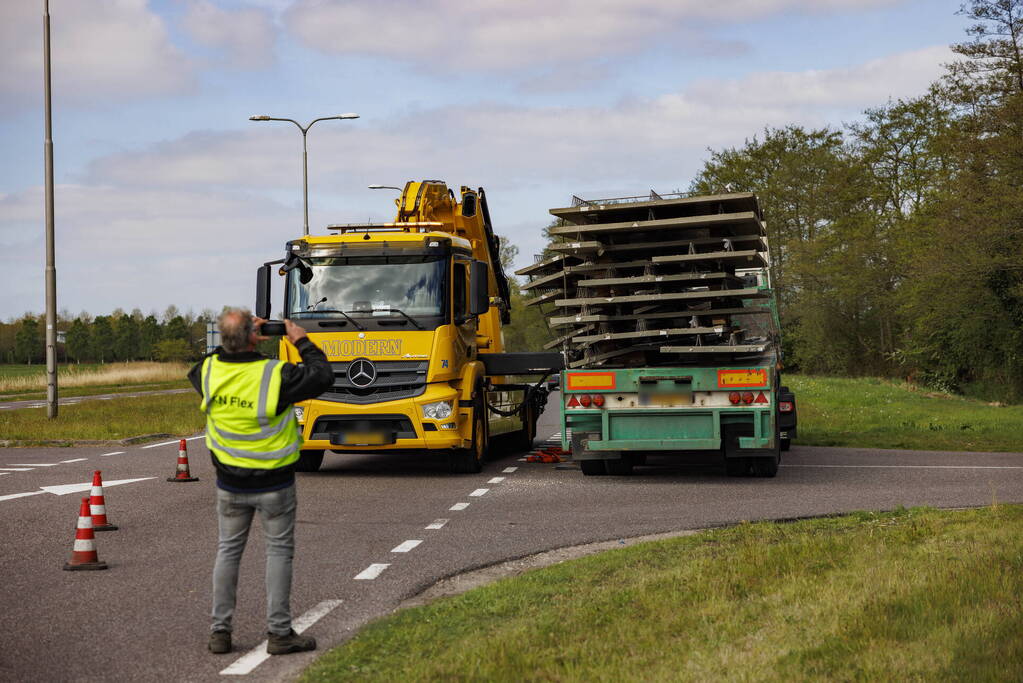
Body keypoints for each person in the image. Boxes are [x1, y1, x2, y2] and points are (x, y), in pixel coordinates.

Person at [188, 309, 333, 656]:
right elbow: (323, 375)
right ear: (256, 336)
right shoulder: (275, 374)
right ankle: (279, 634)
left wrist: (236, 336)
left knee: (228, 552)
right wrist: (298, 339)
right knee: (279, 553)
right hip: (275, 484)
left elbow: (209, 361)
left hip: (229, 484)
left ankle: (220, 632)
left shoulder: (207, 371)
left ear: (222, 339)